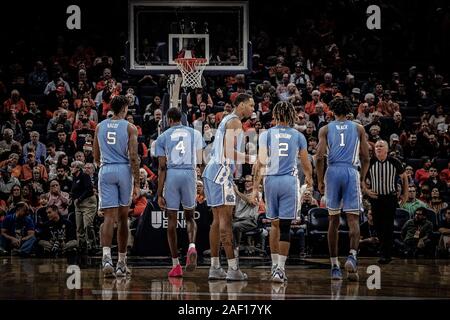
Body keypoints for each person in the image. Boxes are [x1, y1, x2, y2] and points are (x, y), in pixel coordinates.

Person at [316, 98, 370, 281]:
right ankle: (352, 256)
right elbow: (366, 157)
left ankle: (334, 266)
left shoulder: (325, 129)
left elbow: (318, 157)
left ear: (331, 112)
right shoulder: (358, 128)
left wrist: (320, 181)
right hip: (350, 171)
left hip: (332, 172)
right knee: (353, 219)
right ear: (349, 111)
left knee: (333, 221)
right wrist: (361, 179)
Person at [202, 93, 254, 281]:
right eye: (250, 105)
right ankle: (233, 269)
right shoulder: (234, 122)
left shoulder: (227, 120)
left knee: (217, 221)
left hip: (213, 172)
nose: (252, 109)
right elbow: (229, 152)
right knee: (225, 222)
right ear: (240, 105)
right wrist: (254, 159)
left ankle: (215, 267)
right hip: (221, 171)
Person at [93, 95, 140, 277]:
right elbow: (133, 157)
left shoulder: (99, 126)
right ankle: (121, 263)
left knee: (108, 218)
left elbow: (96, 157)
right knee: (122, 219)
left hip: (106, 169)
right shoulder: (130, 127)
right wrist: (136, 182)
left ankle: (106, 259)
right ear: (125, 109)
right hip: (123, 170)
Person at [155, 107, 204, 278]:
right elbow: (201, 159)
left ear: (168, 120)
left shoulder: (162, 137)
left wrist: (159, 193)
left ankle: (176, 264)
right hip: (189, 173)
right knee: (190, 216)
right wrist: (202, 180)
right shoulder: (194, 134)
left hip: (173, 174)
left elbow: (162, 167)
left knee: (171, 221)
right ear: (182, 119)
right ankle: (191, 245)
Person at [364, 140, 408, 264]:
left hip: (390, 197)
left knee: (387, 226)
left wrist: (405, 193)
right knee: (377, 225)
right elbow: (361, 179)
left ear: (386, 149)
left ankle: (385, 254)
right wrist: (367, 191)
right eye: (377, 146)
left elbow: (404, 176)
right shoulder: (370, 162)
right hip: (376, 198)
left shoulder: (394, 162)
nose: (378, 147)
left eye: (381, 146)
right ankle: (386, 250)